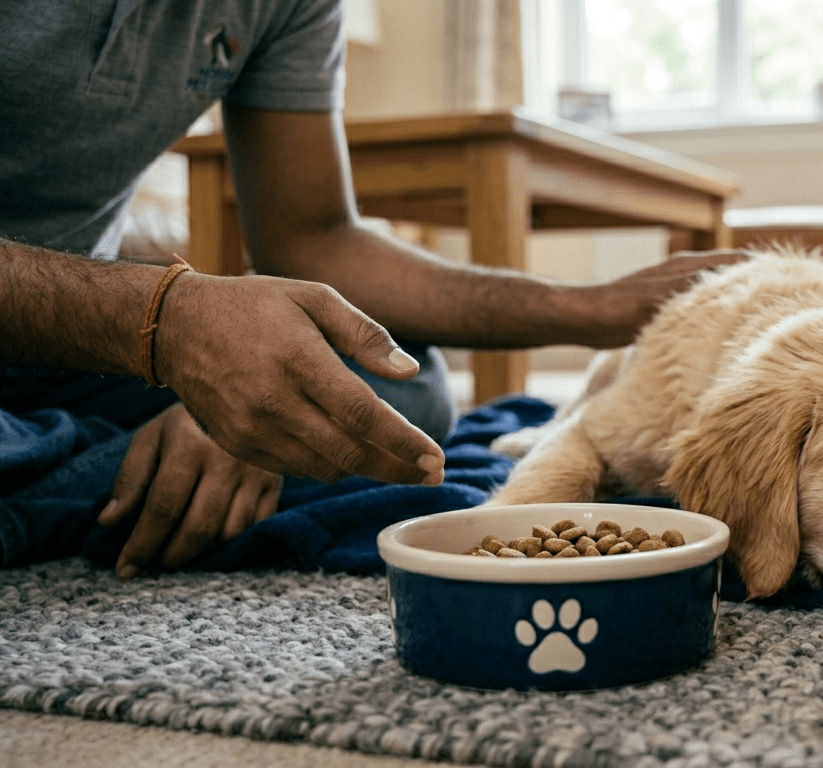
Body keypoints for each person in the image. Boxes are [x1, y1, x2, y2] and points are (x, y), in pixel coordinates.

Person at [0, 1, 739, 579]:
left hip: (78, 358)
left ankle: (83, 468)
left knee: (403, 381)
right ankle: (105, 477)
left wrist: (589, 308)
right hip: (86, 322)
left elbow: (315, 236)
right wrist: (164, 319)